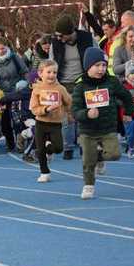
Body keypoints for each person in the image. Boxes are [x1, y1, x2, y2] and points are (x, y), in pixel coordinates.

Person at [71, 47, 134, 199]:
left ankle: (100, 157)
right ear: (88, 67)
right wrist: (87, 113)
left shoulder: (111, 82)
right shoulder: (80, 86)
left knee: (115, 154)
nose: (101, 69)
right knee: (88, 161)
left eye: (104, 65)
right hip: (88, 130)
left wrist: (128, 113)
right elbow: (75, 111)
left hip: (108, 127)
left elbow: (126, 96)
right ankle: (88, 185)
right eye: (97, 65)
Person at [49, 15, 95, 160]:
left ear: (70, 32)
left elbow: (97, 57)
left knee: (84, 116)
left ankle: (83, 144)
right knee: (67, 118)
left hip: (83, 82)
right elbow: (51, 64)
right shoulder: (55, 43)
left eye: (62, 35)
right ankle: (68, 147)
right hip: (63, 83)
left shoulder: (87, 39)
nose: (59, 38)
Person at [29, 60, 72, 182]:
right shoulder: (37, 89)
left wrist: (69, 113)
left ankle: (50, 149)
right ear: (40, 73)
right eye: (49, 72)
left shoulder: (60, 89)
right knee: (40, 149)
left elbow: (69, 102)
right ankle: (44, 172)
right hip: (41, 122)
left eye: (54, 72)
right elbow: (34, 108)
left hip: (55, 123)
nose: (52, 75)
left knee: (58, 148)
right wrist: (46, 109)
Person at [0, 36, 29, 151]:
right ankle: (10, 143)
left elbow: (25, 71)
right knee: (4, 121)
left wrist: (25, 83)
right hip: (1, 94)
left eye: (3, 49)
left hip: (16, 92)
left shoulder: (14, 57)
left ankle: (21, 142)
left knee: (18, 119)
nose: (0, 51)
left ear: (7, 47)